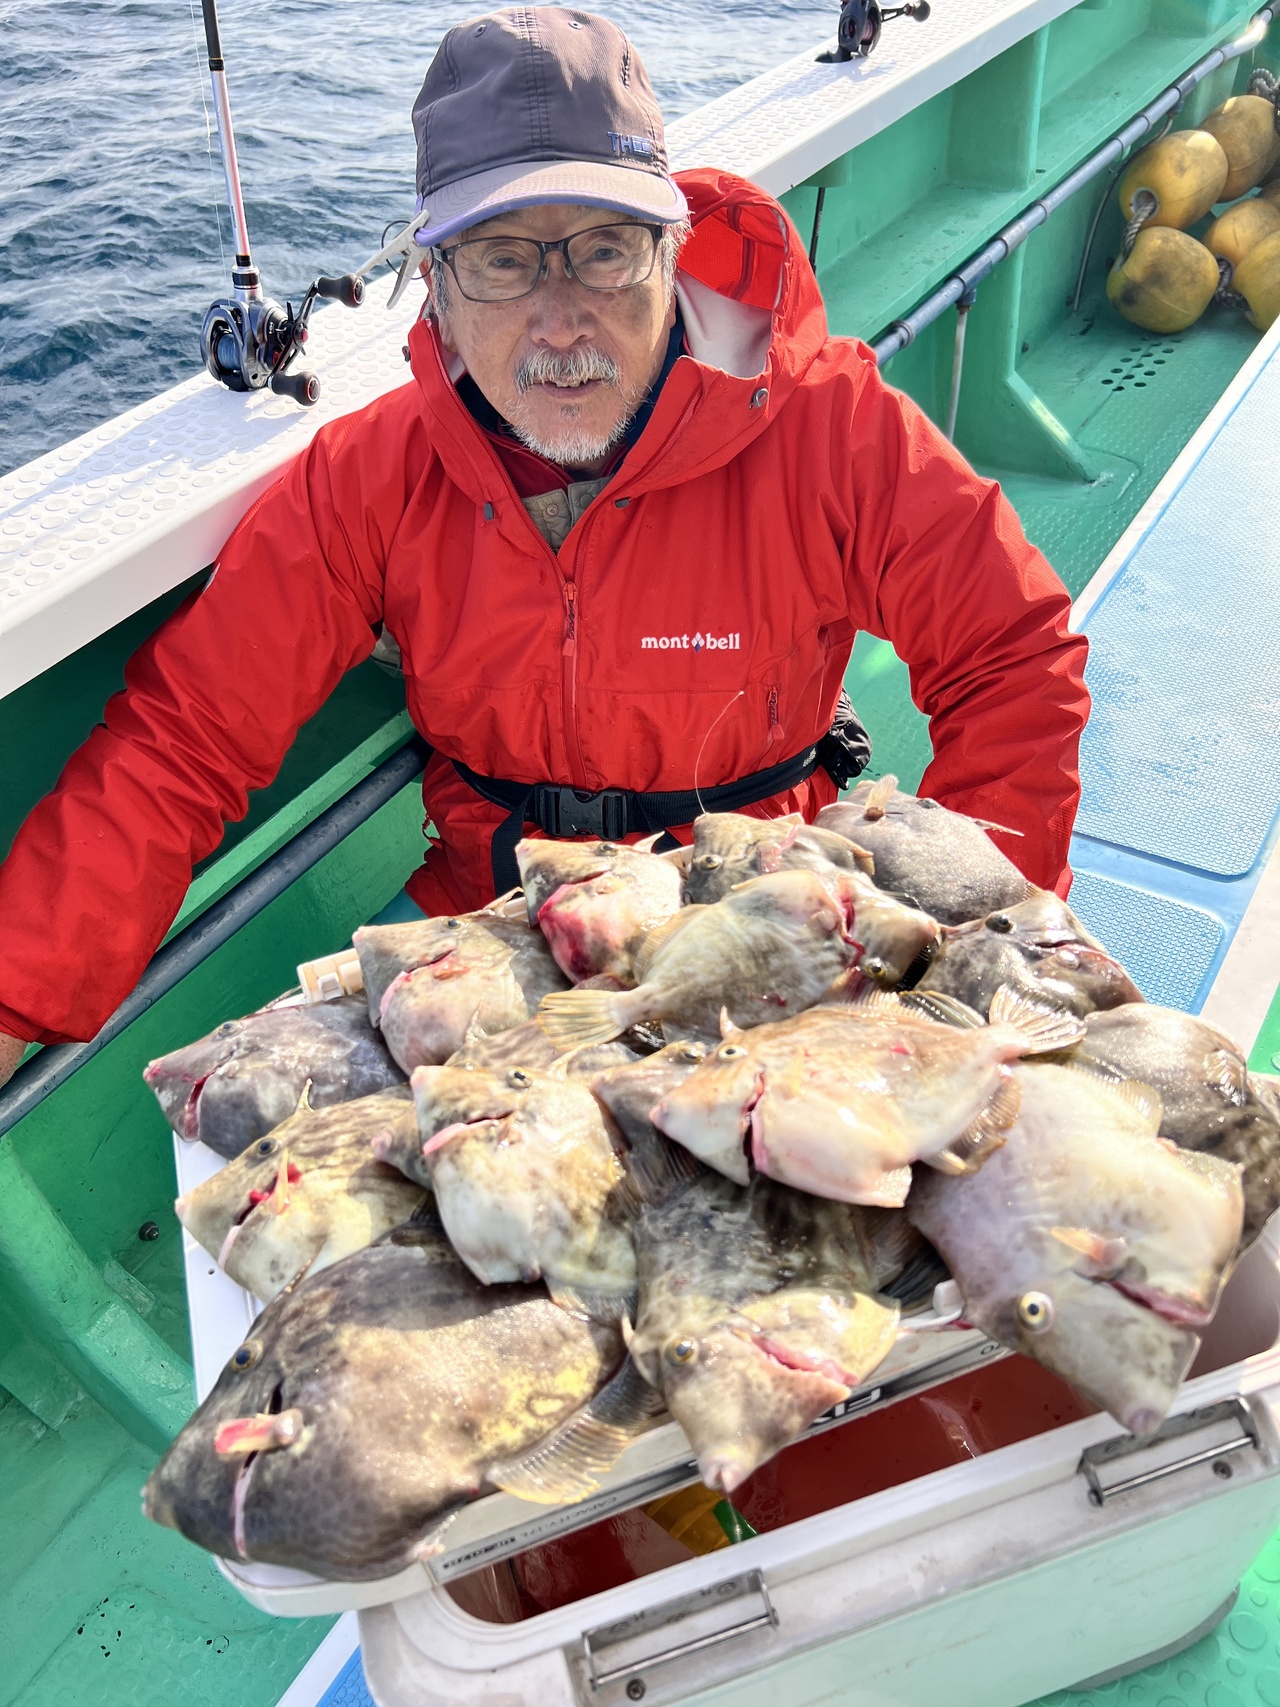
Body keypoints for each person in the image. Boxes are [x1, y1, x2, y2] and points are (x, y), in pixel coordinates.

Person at [0, 5, 1089, 1089]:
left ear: (670, 248)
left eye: (604, 251)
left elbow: (1011, 655)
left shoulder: (829, 427)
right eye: (502, 261)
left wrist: (966, 942)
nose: (560, 319)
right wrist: (11, 998)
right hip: (485, 929)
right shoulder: (370, 477)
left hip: (762, 926)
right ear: (433, 283)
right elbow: (185, 741)